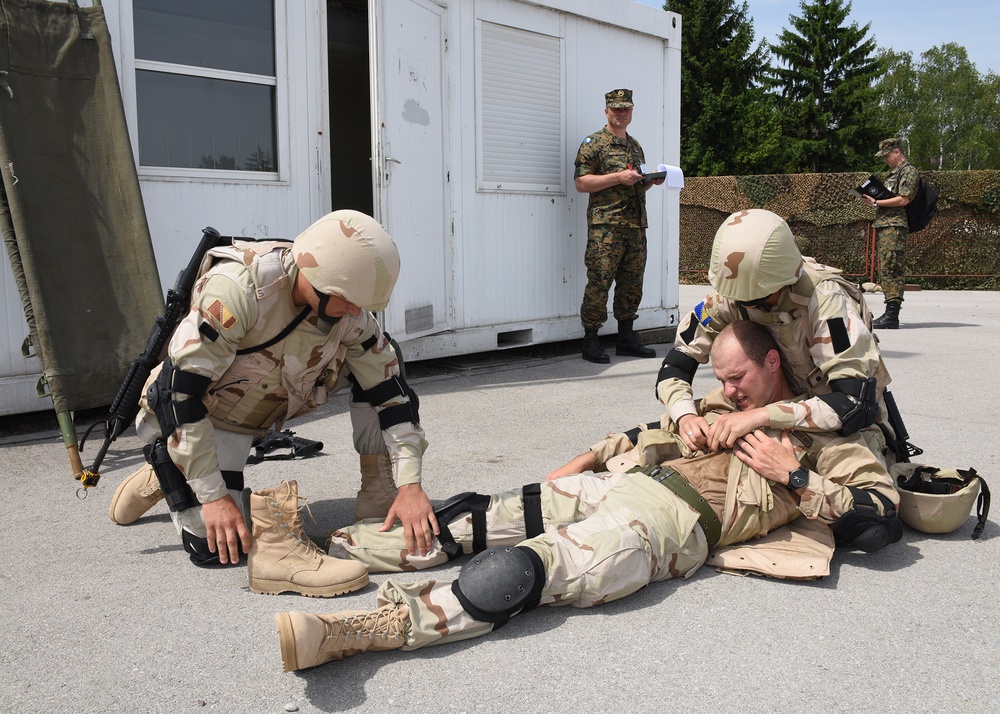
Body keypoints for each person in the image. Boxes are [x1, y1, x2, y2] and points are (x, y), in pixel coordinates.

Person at [272, 321, 900, 671]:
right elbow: (643, 433)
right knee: (477, 519)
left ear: (772, 364)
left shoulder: (822, 437)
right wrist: (579, 462)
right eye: (722, 380)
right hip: (624, 482)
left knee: (532, 567)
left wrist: (794, 477)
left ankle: (369, 628)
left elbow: (880, 521)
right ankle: (330, 552)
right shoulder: (713, 406)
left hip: (671, 524)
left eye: (737, 379)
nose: (729, 393)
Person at [107, 210, 439, 597]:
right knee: (216, 551)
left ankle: (377, 487)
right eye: (348, 302)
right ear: (314, 278)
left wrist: (410, 484)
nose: (355, 312)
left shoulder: (347, 309)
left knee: (383, 358)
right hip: (198, 417)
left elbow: (391, 392)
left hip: (260, 411)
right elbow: (178, 394)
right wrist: (213, 497)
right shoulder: (238, 291)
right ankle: (171, 463)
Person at [655, 208, 897, 462]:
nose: (748, 305)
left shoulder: (826, 301)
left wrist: (761, 416)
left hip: (838, 425)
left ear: (784, 280)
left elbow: (854, 405)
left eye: (758, 299)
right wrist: (685, 416)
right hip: (773, 415)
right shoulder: (729, 297)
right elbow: (676, 365)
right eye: (741, 299)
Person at [574, 88, 665, 364]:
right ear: (606, 111)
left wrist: (649, 181)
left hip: (635, 226)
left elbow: (634, 182)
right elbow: (581, 183)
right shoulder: (594, 143)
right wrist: (617, 177)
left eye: (626, 108)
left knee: (631, 283)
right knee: (600, 282)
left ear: (631, 112)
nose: (621, 113)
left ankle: (626, 338)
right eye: (616, 108)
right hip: (607, 227)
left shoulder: (635, 146)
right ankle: (591, 341)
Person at [863, 138, 920, 330]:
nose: (885, 159)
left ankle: (892, 316)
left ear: (897, 151)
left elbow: (904, 199)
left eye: (887, 155)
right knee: (886, 267)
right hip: (887, 225)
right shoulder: (894, 173)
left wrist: (876, 203)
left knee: (892, 268)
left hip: (895, 227)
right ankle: (890, 313)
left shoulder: (908, 171)